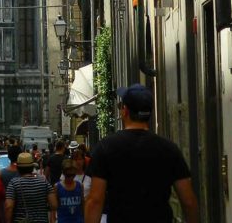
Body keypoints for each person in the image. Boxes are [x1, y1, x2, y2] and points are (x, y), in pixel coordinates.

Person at [84, 84, 199, 223]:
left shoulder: (105, 148)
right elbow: (188, 201)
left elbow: (95, 200)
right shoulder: (169, 149)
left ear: (124, 111)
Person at [4, 152, 57, 223]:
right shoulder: (43, 181)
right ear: (32, 167)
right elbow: (54, 205)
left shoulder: (13, 183)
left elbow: (9, 207)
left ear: (18, 168)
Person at [55, 158, 84, 222]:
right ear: (63, 173)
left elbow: (82, 206)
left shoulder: (80, 186)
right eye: (68, 175)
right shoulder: (57, 187)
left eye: (73, 175)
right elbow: (54, 209)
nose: (71, 177)